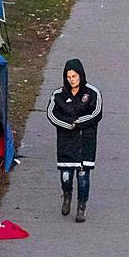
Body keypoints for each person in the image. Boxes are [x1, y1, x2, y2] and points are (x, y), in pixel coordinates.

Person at [45, 58, 101, 222]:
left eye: (74, 76)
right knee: (66, 175)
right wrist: (67, 125)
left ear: (81, 75)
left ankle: (81, 206)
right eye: (69, 77)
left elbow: (96, 114)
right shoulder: (58, 95)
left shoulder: (92, 93)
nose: (72, 80)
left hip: (85, 142)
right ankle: (67, 195)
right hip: (66, 142)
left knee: (83, 176)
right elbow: (51, 114)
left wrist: (79, 123)